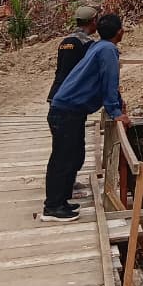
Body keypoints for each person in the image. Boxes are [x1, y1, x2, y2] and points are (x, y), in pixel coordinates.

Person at [42, 13, 132, 222]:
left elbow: (107, 84)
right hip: (67, 111)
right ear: (120, 32)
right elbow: (109, 83)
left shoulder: (98, 47)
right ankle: (53, 207)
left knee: (72, 156)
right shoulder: (107, 50)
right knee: (63, 159)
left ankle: (61, 202)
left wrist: (118, 105)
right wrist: (117, 113)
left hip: (68, 110)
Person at [47, 5, 99, 104]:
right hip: (72, 97)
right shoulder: (87, 44)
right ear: (93, 21)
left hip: (56, 94)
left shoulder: (65, 42)